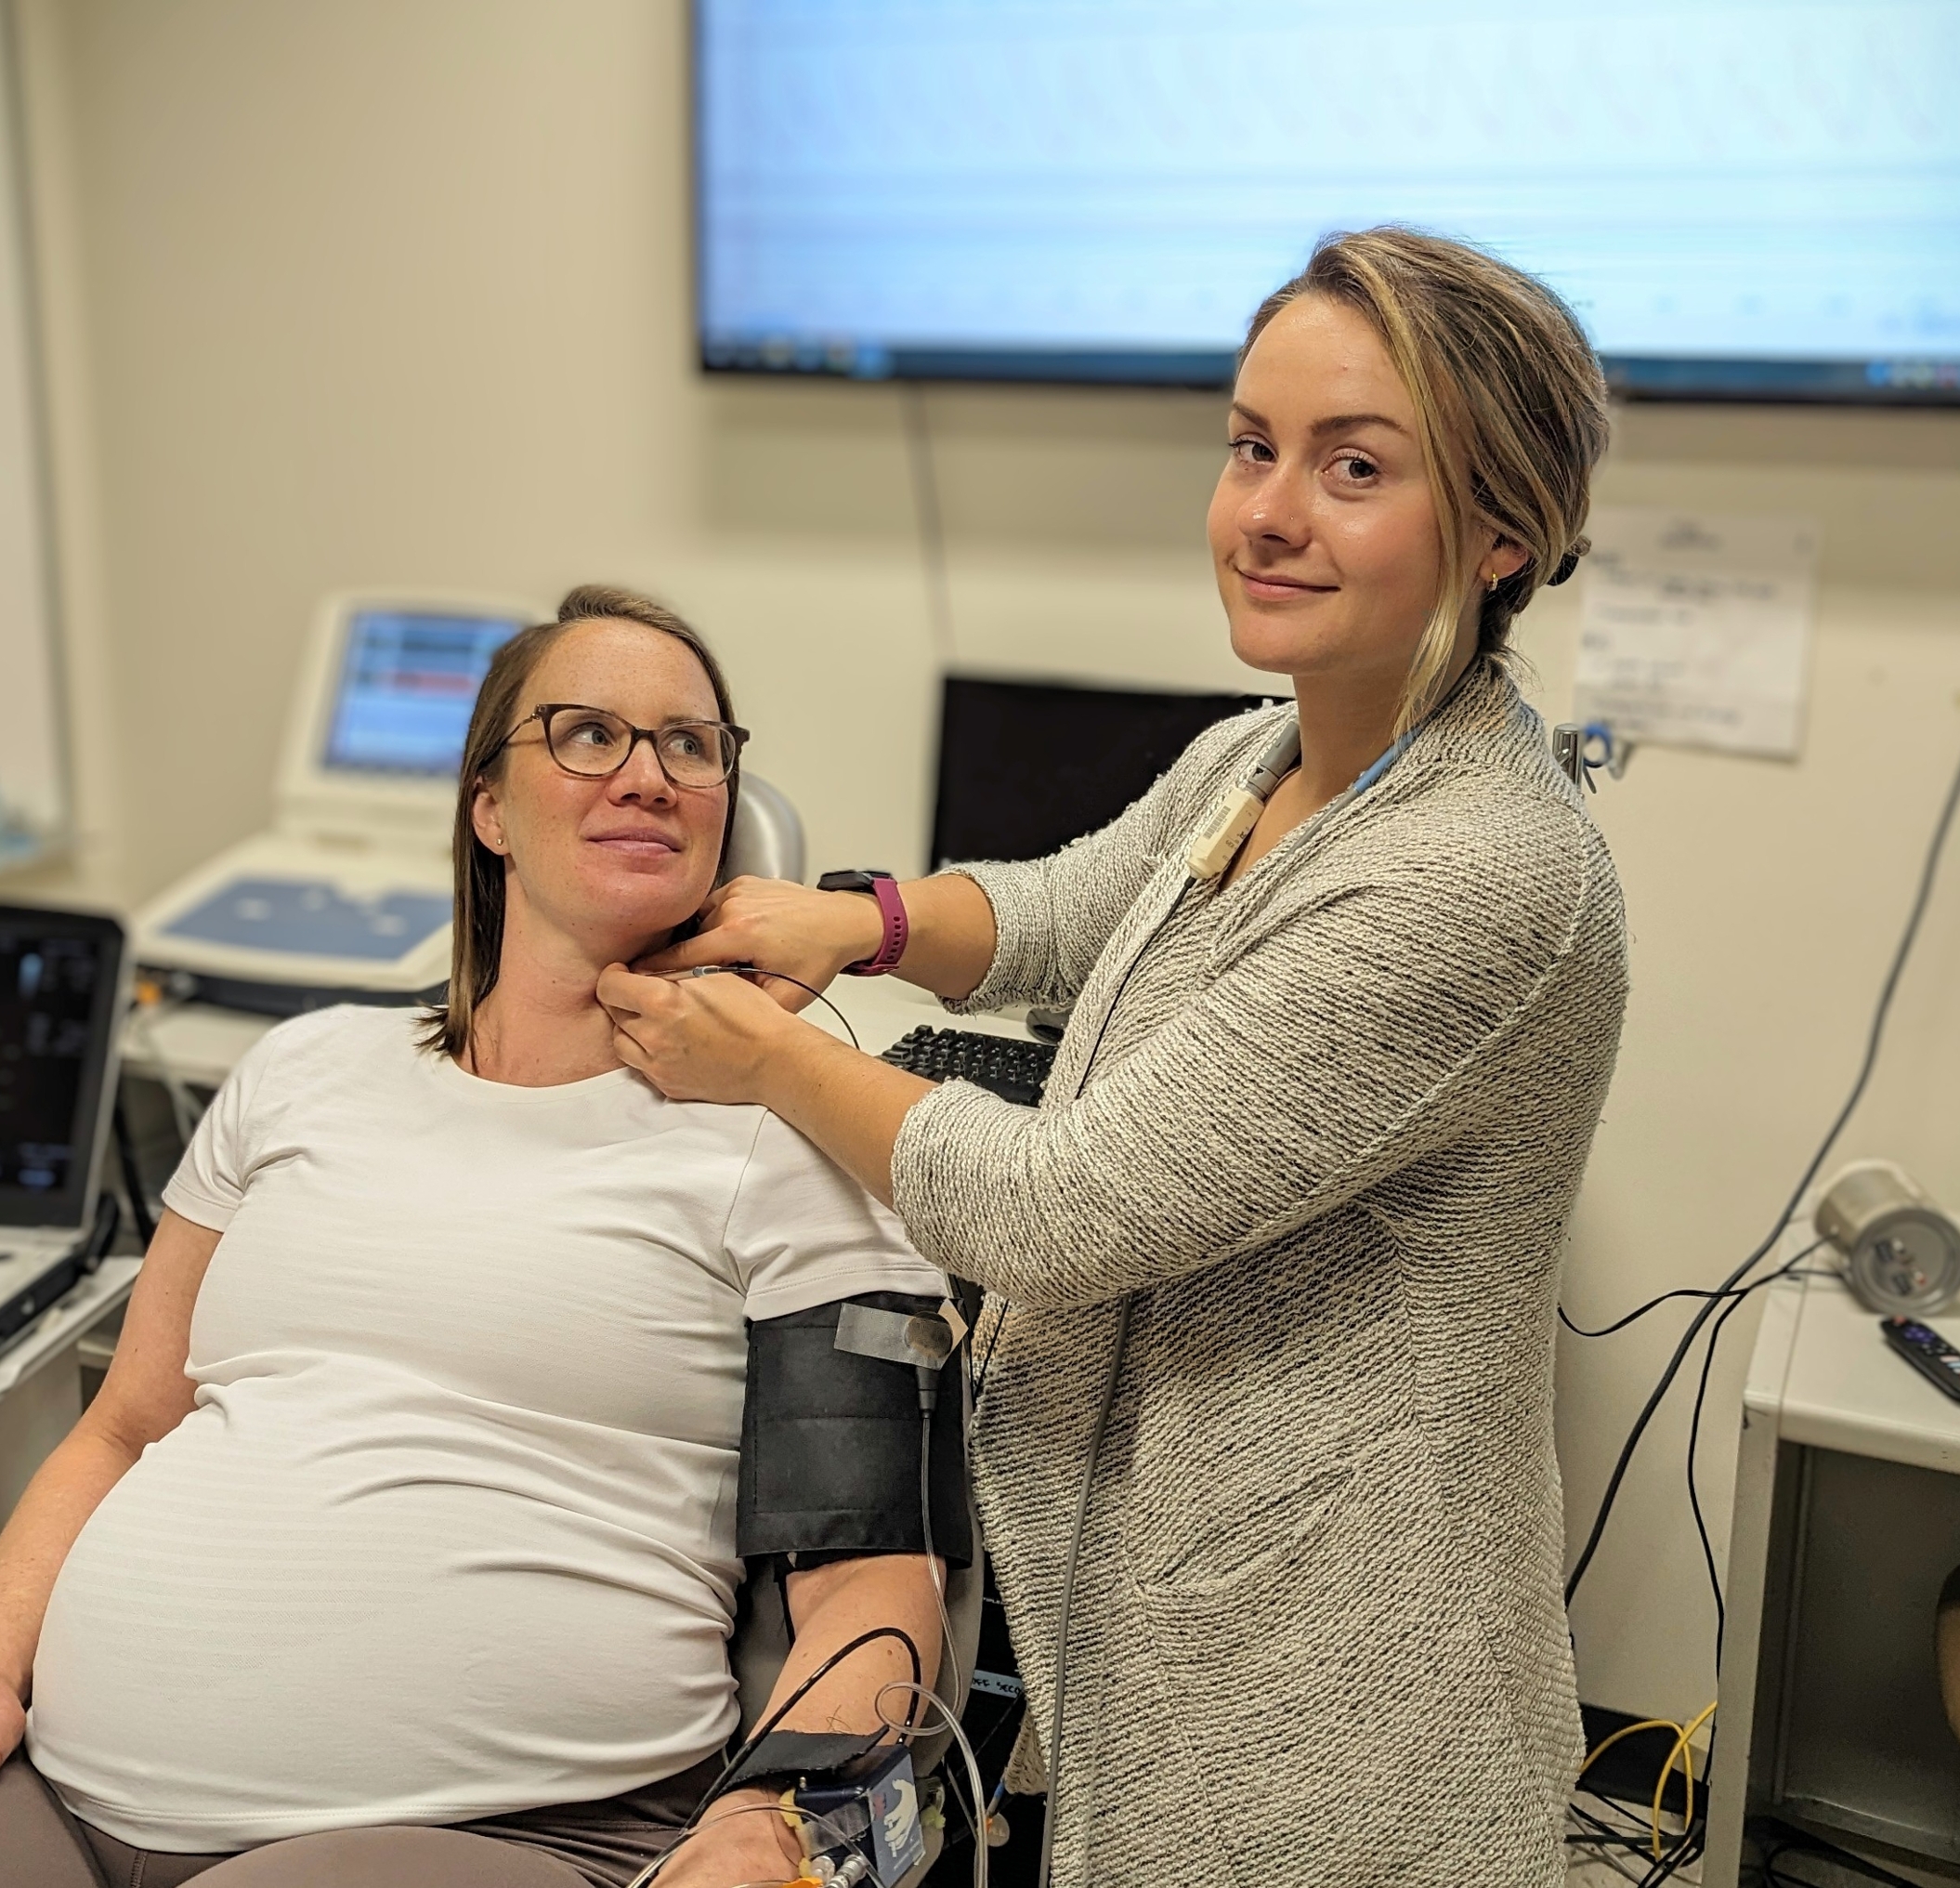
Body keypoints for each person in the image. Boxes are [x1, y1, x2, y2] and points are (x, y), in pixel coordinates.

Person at [596, 229, 1631, 1886]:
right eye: (1250, 447)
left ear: (1504, 533)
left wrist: (769, 1063)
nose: (1267, 511)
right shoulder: (1272, 747)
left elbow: (1061, 1211)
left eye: (1352, 467)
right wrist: (853, 922)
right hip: (1170, 1619)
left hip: (1334, 1702)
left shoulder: (1481, 870)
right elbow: (1079, 906)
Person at [0, 587, 954, 1888]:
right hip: (49, 1790)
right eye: (589, 733)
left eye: (690, 744)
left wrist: (783, 1815)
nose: (646, 773)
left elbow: (873, 1587)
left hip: (488, 1827)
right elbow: (126, 1427)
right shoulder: (302, 1067)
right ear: (488, 807)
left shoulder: (796, 1136)